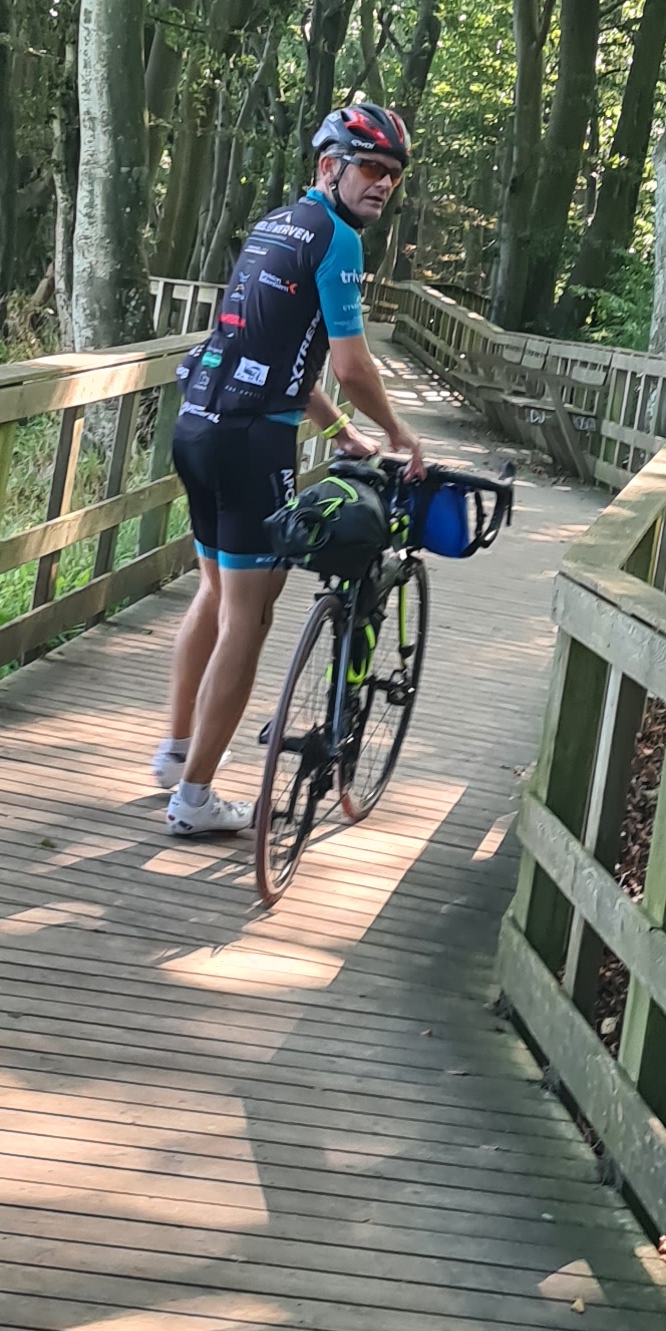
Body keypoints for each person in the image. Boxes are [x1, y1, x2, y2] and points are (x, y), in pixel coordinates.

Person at [156, 99, 427, 839]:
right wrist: (397, 432)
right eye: (370, 168)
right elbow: (351, 365)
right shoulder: (340, 241)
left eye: (393, 174)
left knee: (214, 592)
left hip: (197, 427)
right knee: (249, 617)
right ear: (329, 166)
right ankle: (195, 798)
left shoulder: (274, 226)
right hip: (251, 445)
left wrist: (340, 431)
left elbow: (274, 352)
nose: (383, 184)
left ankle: (175, 754)